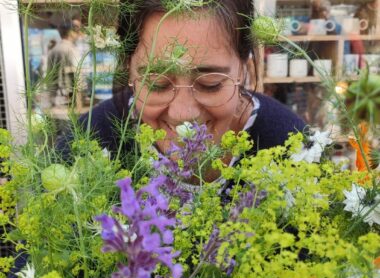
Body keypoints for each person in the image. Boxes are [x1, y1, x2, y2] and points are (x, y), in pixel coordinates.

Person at [59, 0, 305, 170]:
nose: (183, 114)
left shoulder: (291, 146)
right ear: (128, 71)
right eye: (158, 84)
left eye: (210, 84)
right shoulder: (88, 145)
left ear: (246, 72)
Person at [47, 21, 81, 107]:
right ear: (71, 33)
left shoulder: (53, 50)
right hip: (70, 98)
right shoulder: (71, 49)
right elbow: (78, 74)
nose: (78, 35)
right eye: (76, 32)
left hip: (56, 98)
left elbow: (49, 76)